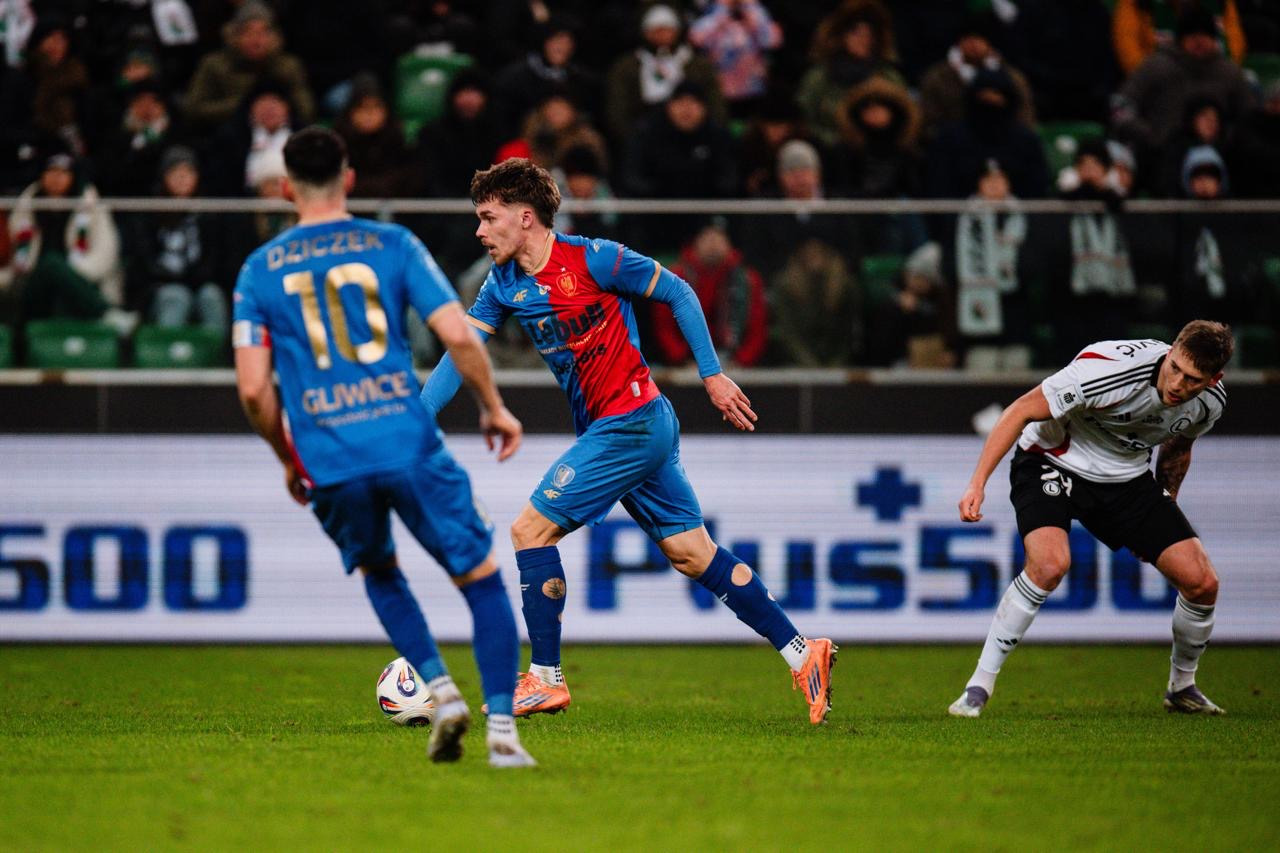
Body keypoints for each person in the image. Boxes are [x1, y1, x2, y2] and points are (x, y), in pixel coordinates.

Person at [421, 158, 837, 724]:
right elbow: (462, 353)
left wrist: (712, 375)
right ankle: (803, 652)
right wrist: (419, 419)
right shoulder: (503, 285)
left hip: (632, 420)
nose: (479, 230)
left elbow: (680, 293)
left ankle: (545, 678)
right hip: (630, 426)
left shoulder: (595, 258)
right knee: (691, 552)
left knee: (528, 531)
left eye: (489, 218)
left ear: (525, 218)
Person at [231, 127, 534, 768]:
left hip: (328, 454)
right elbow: (459, 335)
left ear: (284, 189)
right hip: (405, 439)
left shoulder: (259, 271)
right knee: (479, 577)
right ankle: (504, 734)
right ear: (348, 179)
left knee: (380, 571)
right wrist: (492, 406)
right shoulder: (392, 244)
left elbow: (255, 390)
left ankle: (440, 692)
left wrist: (287, 457)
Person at [949, 320, 1234, 718]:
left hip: (1125, 479)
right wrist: (977, 484)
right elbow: (1020, 411)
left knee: (1202, 583)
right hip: (1051, 461)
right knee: (1049, 565)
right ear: (1170, 351)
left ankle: (1182, 688)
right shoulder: (1108, 370)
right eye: (1175, 369)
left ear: (1213, 379)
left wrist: (1161, 512)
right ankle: (977, 687)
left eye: (1193, 380)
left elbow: (1178, 445)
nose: (1177, 384)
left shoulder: (1210, 402)